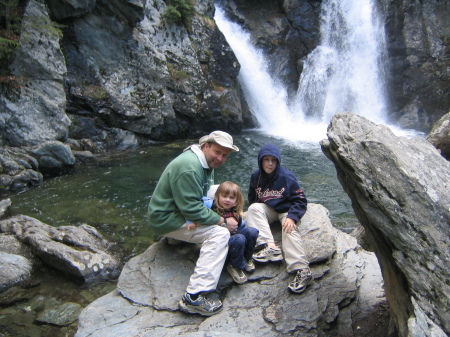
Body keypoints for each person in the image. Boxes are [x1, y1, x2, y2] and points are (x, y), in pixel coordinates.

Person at [147, 131, 239, 317]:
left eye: (225, 155)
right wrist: (222, 221)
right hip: (168, 219)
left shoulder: (203, 161)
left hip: (174, 211)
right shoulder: (189, 167)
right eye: (217, 152)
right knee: (220, 234)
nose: (220, 158)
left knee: (218, 190)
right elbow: (191, 209)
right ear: (206, 146)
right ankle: (194, 297)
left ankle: (177, 239)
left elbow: (201, 196)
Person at [246, 143, 312, 294]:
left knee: (289, 229)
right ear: (260, 161)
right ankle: (270, 247)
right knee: (253, 208)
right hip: (269, 209)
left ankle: (302, 269)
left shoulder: (286, 177)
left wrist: (292, 217)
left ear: (278, 162)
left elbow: (301, 200)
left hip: (286, 210)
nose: (270, 163)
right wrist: (257, 217)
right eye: (266, 159)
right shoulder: (256, 177)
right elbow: (253, 198)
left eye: (273, 160)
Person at [186, 181, 259, 284]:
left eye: (232, 198)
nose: (227, 200)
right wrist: (190, 221)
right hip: (220, 244)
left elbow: (242, 228)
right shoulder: (209, 204)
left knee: (252, 231)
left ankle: (246, 258)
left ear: (236, 201)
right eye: (224, 196)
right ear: (217, 196)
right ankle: (234, 265)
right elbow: (191, 206)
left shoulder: (236, 214)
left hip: (235, 243)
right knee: (239, 239)